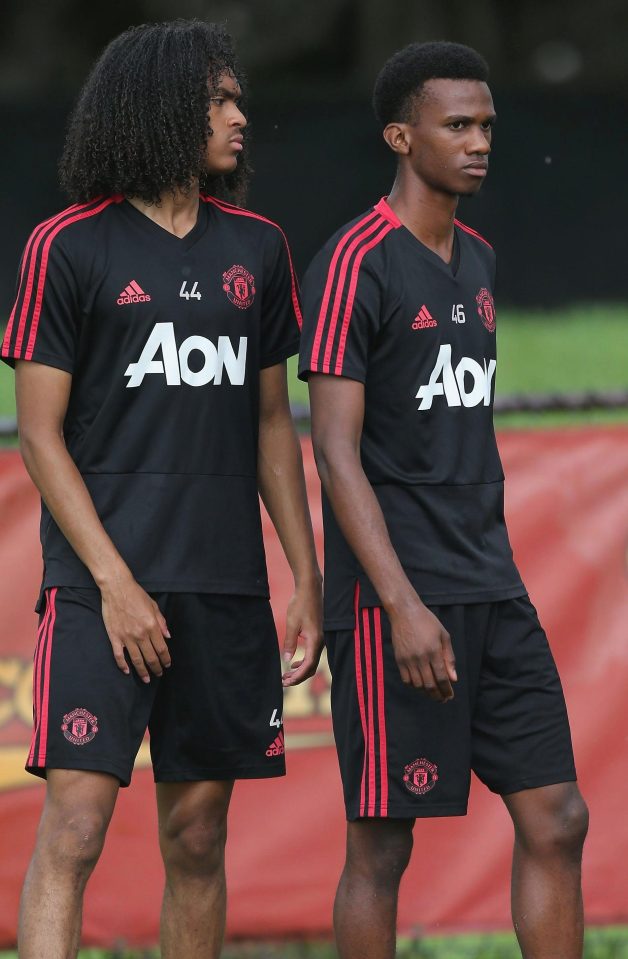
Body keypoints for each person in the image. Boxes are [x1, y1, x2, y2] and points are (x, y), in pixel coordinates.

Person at [2, 19, 323, 959]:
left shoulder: (258, 249)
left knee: (198, 836)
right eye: (220, 99)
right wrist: (114, 581)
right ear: (162, 107)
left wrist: (301, 575)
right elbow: (39, 433)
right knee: (76, 830)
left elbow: (273, 424)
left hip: (222, 585)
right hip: (103, 593)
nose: (239, 116)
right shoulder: (66, 247)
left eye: (237, 98)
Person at [298, 41, 588, 959]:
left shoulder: (483, 263)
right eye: (456, 125)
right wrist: (401, 605)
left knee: (558, 816)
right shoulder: (354, 262)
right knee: (383, 845)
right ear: (400, 134)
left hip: (492, 587)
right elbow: (335, 455)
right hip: (399, 600)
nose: (479, 143)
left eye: (487, 126)